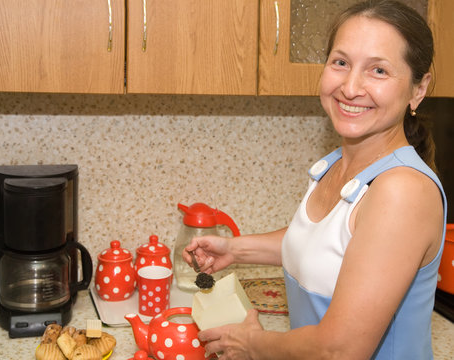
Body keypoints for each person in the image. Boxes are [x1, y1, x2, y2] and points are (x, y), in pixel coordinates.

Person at [182, 1, 447, 359]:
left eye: (378, 70)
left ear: (418, 89)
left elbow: (339, 351)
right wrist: (236, 249)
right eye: (341, 63)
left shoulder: (402, 191)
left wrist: (252, 344)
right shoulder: (335, 165)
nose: (351, 87)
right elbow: (326, 247)